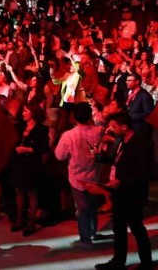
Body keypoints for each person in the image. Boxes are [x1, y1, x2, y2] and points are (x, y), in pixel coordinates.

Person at [95, 112, 153, 270]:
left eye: (114, 126)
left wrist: (122, 180)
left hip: (133, 194)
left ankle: (146, 263)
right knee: (118, 228)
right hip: (119, 192)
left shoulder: (140, 143)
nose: (111, 129)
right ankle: (118, 261)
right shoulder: (120, 141)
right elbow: (115, 160)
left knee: (136, 228)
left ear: (125, 127)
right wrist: (100, 155)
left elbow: (144, 171)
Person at [54, 103, 103, 249]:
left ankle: (86, 239)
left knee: (82, 208)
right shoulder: (99, 131)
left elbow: (59, 155)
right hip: (94, 176)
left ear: (74, 117)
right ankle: (93, 232)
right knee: (92, 204)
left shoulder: (68, 135)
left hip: (76, 177)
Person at [9, 104, 50, 236]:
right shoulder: (19, 127)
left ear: (33, 112)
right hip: (18, 162)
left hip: (32, 163)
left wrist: (27, 149)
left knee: (32, 192)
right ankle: (19, 218)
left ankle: (31, 222)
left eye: (26, 111)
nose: (23, 113)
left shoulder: (42, 129)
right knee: (18, 190)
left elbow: (44, 149)